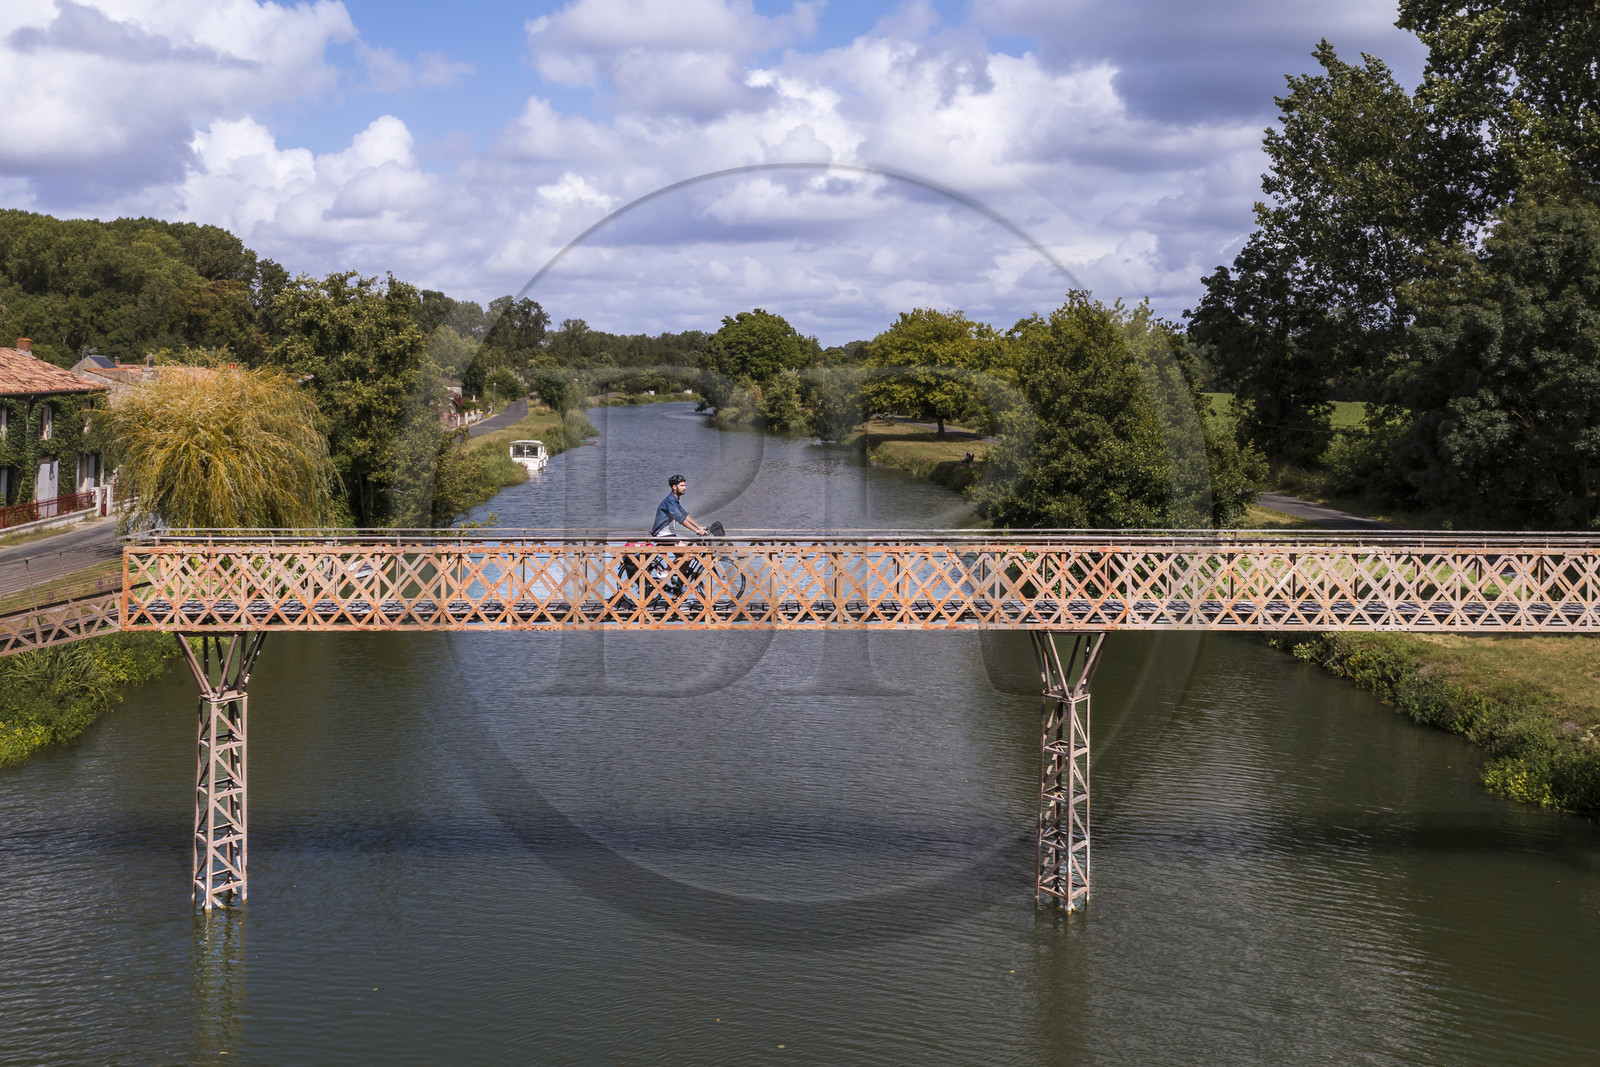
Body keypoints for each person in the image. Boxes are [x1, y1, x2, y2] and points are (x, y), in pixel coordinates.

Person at [648, 474, 707, 598]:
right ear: (674, 487)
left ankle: (679, 587)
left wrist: (698, 527)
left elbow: (685, 514)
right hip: (662, 535)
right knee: (689, 555)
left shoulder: (675, 499)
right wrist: (695, 531)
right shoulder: (670, 500)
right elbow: (680, 519)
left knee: (687, 558)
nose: (684, 488)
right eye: (682, 485)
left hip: (669, 534)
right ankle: (666, 572)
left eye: (685, 485)